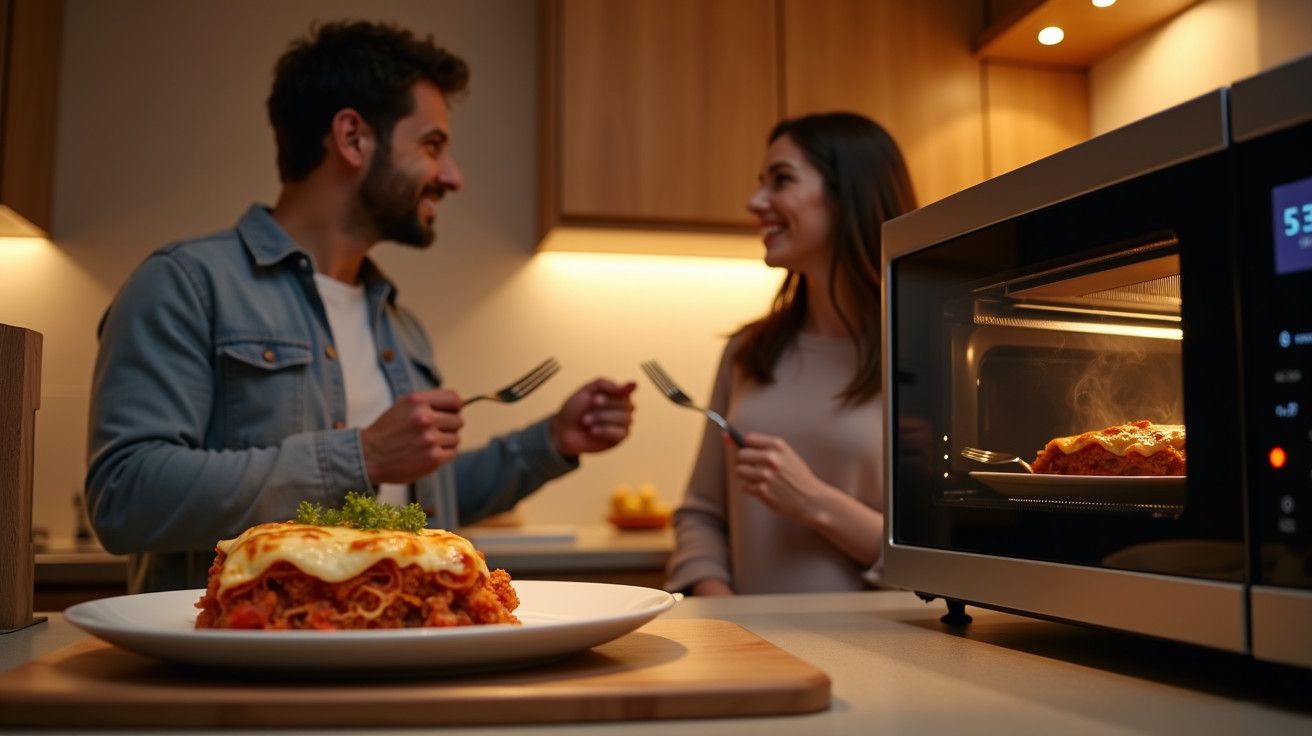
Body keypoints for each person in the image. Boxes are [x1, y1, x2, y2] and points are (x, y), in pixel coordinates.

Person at [85, 20, 636, 594]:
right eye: (432, 145)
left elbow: (421, 501)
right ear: (352, 138)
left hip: (392, 633)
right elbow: (125, 495)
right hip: (243, 645)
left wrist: (554, 440)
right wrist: (361, 457)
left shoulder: (400, 326)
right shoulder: (186, 285)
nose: (453, 177)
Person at [664, 112, 916, 596]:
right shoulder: (748, 351)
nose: (755, 202)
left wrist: (814, 502)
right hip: (747, 640)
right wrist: (724, 614)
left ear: (849, 195)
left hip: (886, 641)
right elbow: (701, 514)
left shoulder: (925, 356)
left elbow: (950, 562)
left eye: (781, 180)